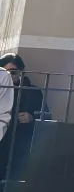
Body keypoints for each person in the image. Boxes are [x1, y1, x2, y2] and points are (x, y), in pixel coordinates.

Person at [0, 55, 45, 183]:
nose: (9, 76)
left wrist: (31, 118)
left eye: (13, 72)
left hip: (21, 144)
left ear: (21, 71)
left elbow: (46, 117)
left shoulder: (33, 92)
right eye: (5, 72)